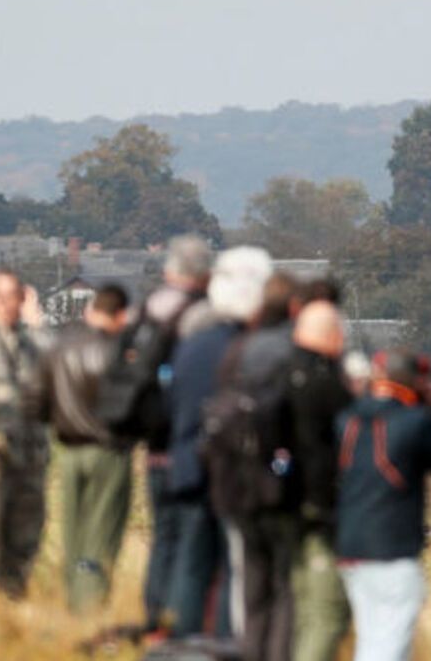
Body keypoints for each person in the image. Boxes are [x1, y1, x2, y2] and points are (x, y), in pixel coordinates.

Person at [105, 234, 216, 632]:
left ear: (170, 270)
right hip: (190, 446)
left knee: (162, 535)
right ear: (206, 274)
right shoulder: (204, 319)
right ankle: (184, 627)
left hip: (153, 446)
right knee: (193, 541)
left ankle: (154, 616)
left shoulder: (146, 312)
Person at [164, 245, 273, 638]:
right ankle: (227, 643)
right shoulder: (253, 349)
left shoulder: (192, 345)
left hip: (190, 465)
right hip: (235, 473)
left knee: (191, 562)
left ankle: (182, 641)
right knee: (234, 568)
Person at [336, 348, 431, 661]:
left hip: (348, 547)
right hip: (393, 549)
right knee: (391, 641)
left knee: (369, 636)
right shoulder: (416, 421)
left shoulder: (344, 419)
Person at [213, 271, 299, 661]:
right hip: (280, 480)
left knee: (251, 577)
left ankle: (249, 650)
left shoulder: (238, 349)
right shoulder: (293, 351)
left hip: (237, 477)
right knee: (283, 583)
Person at [40, 283, 134, 613]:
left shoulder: (59, 349)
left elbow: (36, 400)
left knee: (73, 532)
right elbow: (135, 406)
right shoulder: (120, 354)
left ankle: (71, 600)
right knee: (102, 533)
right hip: (108, 451)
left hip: (67, 450)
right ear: (120, 315)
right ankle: (91, 605)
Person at [287, 300, 353, 661]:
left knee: (297, 605)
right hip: (318, 506)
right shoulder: (328, 386)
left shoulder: (277, 373)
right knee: (328, 612)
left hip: (274, 506)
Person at [0, 268, 51, 599]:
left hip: (29, 454)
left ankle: (14, 598)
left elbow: (57, 363)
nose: (16, 303)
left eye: (18, 295)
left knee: (26, 532)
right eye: (11, 296)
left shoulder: (31, 343)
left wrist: (38, 322)